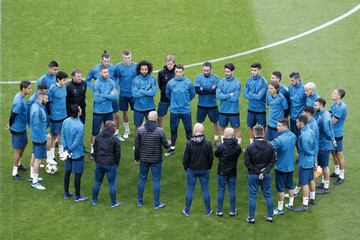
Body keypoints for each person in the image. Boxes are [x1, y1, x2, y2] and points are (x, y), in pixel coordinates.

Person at [134, 111, 171, 209]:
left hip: (144, 158)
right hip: (156, 159)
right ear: (156, 118)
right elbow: (166, 145)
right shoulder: (160, 131)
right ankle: (156, 204)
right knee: (156, 180)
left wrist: (136, 158)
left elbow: (137, 146)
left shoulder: (140, 130)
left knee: (142, 179)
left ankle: (139, 201)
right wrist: (170, 142)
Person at [85, 51, 121, 140]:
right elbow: (87, 80)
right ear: (101, 60)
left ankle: (116, 133)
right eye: (105, 61)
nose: (107, 63)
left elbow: (117, 77)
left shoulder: (112, 68)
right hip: (101, 98)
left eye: (108, 61)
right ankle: (102, 134)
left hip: (110, 96)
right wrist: (93, 88)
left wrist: (115, 86)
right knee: (101, 115)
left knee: (115, 114)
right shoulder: (95, 69)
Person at [244, 125, 275, 224]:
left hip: (253, 175)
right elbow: (273, 160)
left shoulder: (249, 147)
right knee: (268, 195)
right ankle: (270, 217)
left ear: (254, 133)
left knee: (252, 196)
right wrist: (264, 171)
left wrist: (258, 171)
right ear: (263, 133)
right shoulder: (270, 146)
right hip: (265, 175)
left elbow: (247, 163)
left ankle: (251, 218)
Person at [182, 123, 213, 216]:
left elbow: (185, 159)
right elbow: (210, 158)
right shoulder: (208, 143)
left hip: (192, 170)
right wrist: (209, 167)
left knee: (190, 190)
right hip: (204, 170)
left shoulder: (189, 143)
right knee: (205, 189)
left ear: (194, 130)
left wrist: (186, 168)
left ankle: (187, 210)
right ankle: (208, 211)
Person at [165, 64, 195, 157]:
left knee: (188, 130)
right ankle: (172, 147)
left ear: (183, 72)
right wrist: (175, 102)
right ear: (175, 72)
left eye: (180, 72)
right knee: (173, 130)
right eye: (177, 72)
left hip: (185, 111)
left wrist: (185, 101)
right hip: (174, 111)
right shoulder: (170, 83)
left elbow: (192, 94)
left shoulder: (188, 82)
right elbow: (168, 94)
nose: (178, 73)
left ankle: (191, 149)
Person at [60, 104, 88, 202]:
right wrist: (70, 150)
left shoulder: (65, 121)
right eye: (80, 109)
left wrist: (66, 149)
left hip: (67, 152)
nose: (81, 110)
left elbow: (62, 134)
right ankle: (78, 196)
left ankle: (66, 193)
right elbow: (77, 141)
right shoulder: (80, 126)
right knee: (77, 175)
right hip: (77, 154)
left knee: (67, 172)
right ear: (77, 112)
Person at [90, 65, 118, 160]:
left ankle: (109, 149)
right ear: (100, 73)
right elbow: (97, 99)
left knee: (110, 131)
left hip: (109, 111)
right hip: (98, 112)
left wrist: (103, 95)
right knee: (95, 132)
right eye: (104, 72)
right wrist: (109, 95)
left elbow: (115, 97)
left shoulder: (112, 82)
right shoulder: (96, 83)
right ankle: (92, 151)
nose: (106, 74)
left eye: (107, 72)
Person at [91, 121, 121, 207]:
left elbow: (95, 149)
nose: (115, 128)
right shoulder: (115, 139)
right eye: (114, 127)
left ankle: (94, 200)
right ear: (111, 128)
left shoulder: (98, 137)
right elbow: (118, 153)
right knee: (112, 184)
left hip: (99, 163)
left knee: (97, 182)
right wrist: (116, 163)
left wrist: (97, 160)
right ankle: (113, 203)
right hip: (111, 164)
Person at [7, 80, 32, 180]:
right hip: (17, 129)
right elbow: (13, 114)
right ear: (23, 89)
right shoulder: (19, 101)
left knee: (24, 144)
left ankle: (19, 164)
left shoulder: (20, 96)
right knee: (18, 151)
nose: (30, 89)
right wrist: (10, 125)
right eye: (29, 88)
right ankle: (14, 172)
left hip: (22, 127)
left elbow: (12, 110)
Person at [214, 127, 242, 217]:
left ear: (225, 135)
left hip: (222, 171)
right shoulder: (237, 146)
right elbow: (238, 154)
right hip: (232, 171)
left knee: (221, 191)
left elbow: (216, 154)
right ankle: (232, 211)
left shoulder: (221, 146)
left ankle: (219, 211)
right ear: (232, 135)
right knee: (232, 191)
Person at [271, 118, 296, 215]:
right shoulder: (293, 136)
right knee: (290, 186)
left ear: (285, 126)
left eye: (279, 126)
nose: (277, 127)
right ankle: (290, 204)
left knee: (280, 189)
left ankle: (280, 209)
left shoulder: (279, 140)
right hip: (290, 166)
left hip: (281, 167)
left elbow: (270, 148)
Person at [293, 115, 315, 212]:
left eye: (297, 122)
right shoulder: (310, 131)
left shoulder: (303, 135)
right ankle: (312, 199)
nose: (296, 124)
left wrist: (310, 153)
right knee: (311, 180)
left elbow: (306, 149)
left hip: (305, 161)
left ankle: (305, 205)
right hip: (310, 161)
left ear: (302, 123)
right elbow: (313, 145)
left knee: (304, 183)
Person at [216, 63, 242, 144]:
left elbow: (234, 99)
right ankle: (224, 145)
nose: (226, 73)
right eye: (225, 71)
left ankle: (237, 146)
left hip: (233, 111)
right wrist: (229, 94)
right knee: (222, 128)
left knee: (237, 129)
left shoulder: (237, 83)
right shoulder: (221, 82)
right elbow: (218, 96)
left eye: (228, 71)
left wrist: (224, 95)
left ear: (233, 71)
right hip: (223, 111)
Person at [29, 86, 50, 190]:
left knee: (34, 155)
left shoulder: (35, 105)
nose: (48, 100)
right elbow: (37, 126)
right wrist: (44, 137)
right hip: (39, 138)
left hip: (35, 136)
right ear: (42, 97)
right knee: (38, 160)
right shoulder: (39, 111)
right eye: (47, 98)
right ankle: (35, 182)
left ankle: (31, 176)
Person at [315, 98, 336, 194]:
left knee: (325, 166)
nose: (314, 107)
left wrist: (332, 139)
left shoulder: (324, 117)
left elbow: (328, 131)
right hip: (322, 144)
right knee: (322, 165)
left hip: (324, 145)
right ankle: (323, 182)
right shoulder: (322, 114)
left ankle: (326, 187)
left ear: (321, 105)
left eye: (316, 105)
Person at [194, 62, 220, 143]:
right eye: (204, 70)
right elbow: (197, 91)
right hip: (201, 105)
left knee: (216, 123)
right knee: (199, 123)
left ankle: (216, 140)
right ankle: (199, 139)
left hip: (212, 105)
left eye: (207, 70)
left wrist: (203, 89)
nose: (205, 72)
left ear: (210, 70)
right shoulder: (198, 77)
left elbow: (214, 91)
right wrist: (209, 90)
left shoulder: (215, 78)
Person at [114, 50, 137, 139]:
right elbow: (116, 78)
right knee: (124, 113)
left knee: (137, 113)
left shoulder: (135, 66)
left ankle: (139, 131)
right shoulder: (118, 67)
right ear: (122, 58)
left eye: (129, 58)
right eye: (125, 58)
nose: (127, 60)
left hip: (134, 95)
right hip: (123, 94)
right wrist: (115, 88)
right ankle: (127, 130)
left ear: (131, 57)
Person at [48, 71, 68, 164]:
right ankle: (51, 155)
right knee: (53, 137)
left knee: (62, 134)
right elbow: (48, 103)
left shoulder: (64, 87)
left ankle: (61, 152)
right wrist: (50, 115)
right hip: (55, 117)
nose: (65, 81)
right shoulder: (52, 89)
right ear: (58, 80)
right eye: (64, 80)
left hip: (64, 116)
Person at [244, 63, 267, 143]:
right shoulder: (249, 80)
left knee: (262, 128)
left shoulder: (263, 82)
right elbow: (245, 95)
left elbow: (259, 97)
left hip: (260, 110)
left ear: (259, 70)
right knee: (250, 127)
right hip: (250, 109)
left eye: (255, 70)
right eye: (252, 70)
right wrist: (254, 95)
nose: (253, 72)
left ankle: (263, 144)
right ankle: (252, 143)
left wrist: (250, 94)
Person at [329, 88, 347, 185]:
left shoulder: (342, 107)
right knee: (333, 152)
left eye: (334, 93)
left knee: (339, 154)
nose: (332, 94)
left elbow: (332, 121)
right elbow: (329, 115)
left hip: (337, 134)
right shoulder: (333, 104)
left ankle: (342, 175)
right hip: (332, 133)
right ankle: (336, 171)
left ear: (339, 96)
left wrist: (324, 123)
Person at [132, 60, 157, 129]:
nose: (144, 71)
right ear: (139, 70)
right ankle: (138, 139)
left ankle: (152, 140)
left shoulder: (152, 79)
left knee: (152, 127)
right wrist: (147, 92)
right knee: (137, 126)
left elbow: (153, 92)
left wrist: (141, 91)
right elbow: (135, 94)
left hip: (150, 107)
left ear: (148, 70)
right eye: (142, 69)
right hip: (138, 107)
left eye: (146, 69)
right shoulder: (135, 80)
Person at [157, 55, 176, 127]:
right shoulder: (161, 73)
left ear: (174, 63)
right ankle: (160, 130)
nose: (169, 66)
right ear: (166, 63)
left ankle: (173, 130)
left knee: (174, 115)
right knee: (160, 115)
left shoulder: (177, 72)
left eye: (171, 64)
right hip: (164, 98)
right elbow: (160, 85)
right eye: (168, 64)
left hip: (174, 98)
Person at [288, 72, 306, 139]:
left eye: (292, 81)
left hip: (300, 118)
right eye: (290, 80)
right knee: (293, 136)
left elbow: (307, 103)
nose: (291, 82)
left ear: (298, 79)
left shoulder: (304, 89)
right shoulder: (290, 87)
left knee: (300, 137)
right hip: (292, 117)